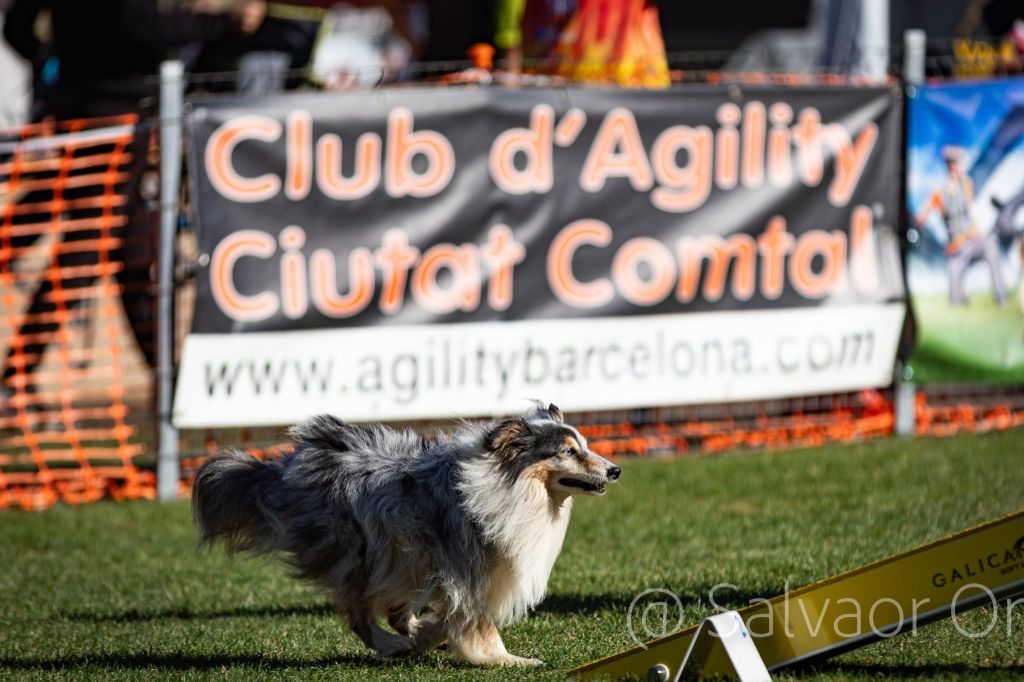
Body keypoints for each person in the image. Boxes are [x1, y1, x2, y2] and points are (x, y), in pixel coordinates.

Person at [0, 0, 266, 417]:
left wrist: (59, 65)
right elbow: (141, 25)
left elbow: (18, 26)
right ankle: (16, 378)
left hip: (99, 115)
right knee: (87, 249)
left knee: (137, 254)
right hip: (115, 120)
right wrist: (223, 21)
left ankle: (171, 386)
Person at [915, 145, 1008, 307]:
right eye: (960, 164)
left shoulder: (966, 184)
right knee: (955, 300)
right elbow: (921, 217)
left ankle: (1001, 297)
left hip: (972, 239)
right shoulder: (939, 194)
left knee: (991, 249)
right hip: (957, 247)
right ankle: (959, 297)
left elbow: (969, 209)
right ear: (952, 166)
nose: (963, 168)